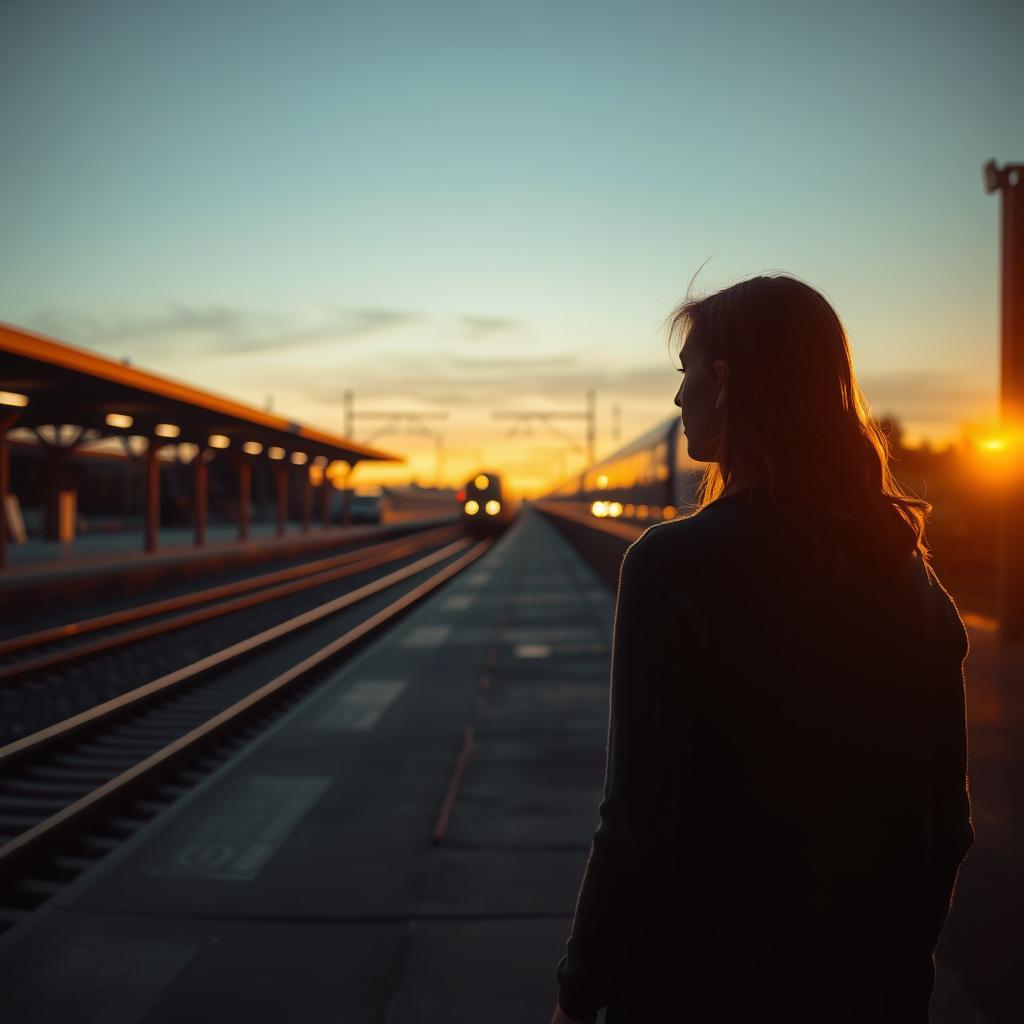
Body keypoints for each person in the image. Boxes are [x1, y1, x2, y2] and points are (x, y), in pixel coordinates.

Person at [549, 272, 973, 1023]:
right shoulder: (912, 584)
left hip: (699, 993)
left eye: (685, 376)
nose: (678, 400)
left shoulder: (672, 566)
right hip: (874, 993)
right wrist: (898, 964)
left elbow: (637, 828)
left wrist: (579, 995)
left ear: (724, 379)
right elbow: (948, 823)